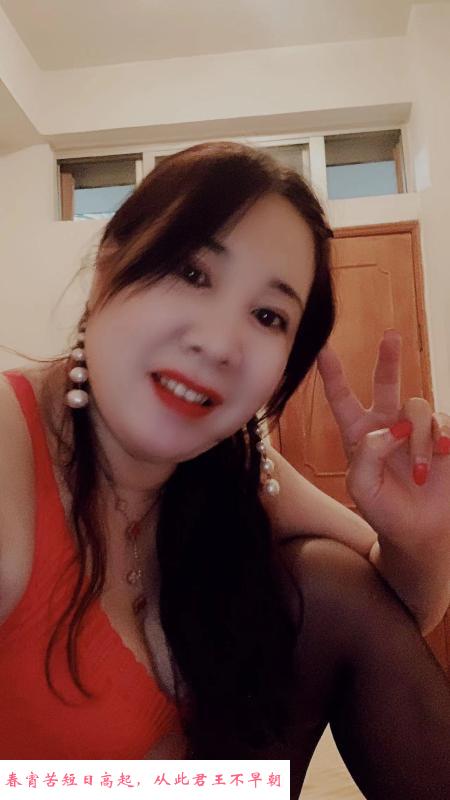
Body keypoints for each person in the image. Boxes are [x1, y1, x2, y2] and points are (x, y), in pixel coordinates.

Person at [0, 141, 449, 797]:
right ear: (108, 267)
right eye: (192, 273)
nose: (217, 344)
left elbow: (393, 613)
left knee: (329, 579)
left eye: (268, 316)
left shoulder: (234, 464)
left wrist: (416, 534)